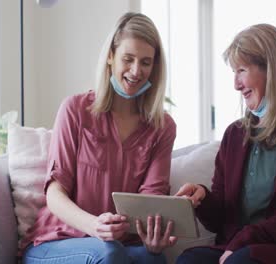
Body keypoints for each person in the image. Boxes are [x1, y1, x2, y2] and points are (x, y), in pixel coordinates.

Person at [175, 24, 276, 264]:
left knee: (243, 261)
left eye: (241, 70)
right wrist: (202, 198)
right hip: (241, 248)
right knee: (190, 260)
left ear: (272, 70)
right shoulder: (234, 134)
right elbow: (222, 217)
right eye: (234, 72)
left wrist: (247, 237)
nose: (236, 84)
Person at [22, 12, 177, 264]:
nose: (136, 71)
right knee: (109, 253)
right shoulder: (75, 110)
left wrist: (152, 239)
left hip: (119, 246)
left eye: (146, 62)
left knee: (153, 260)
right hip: (55, 242)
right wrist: (95, 226)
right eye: (128, 59)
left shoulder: (162, 127)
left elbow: (151, 201)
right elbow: (54, 192)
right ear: (110, 57)